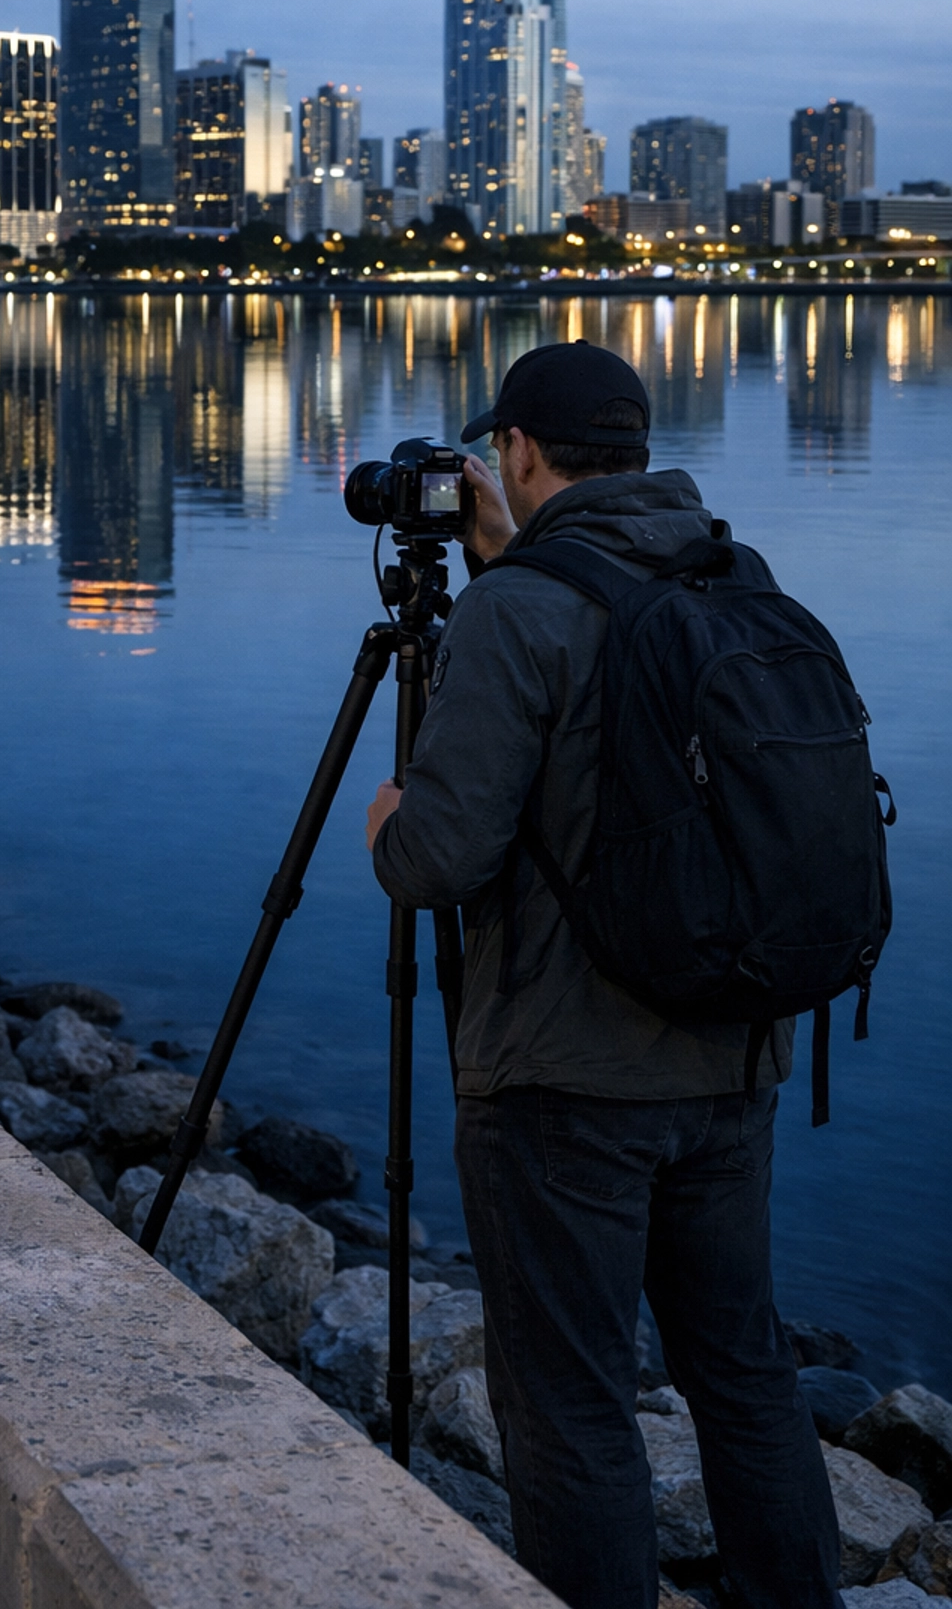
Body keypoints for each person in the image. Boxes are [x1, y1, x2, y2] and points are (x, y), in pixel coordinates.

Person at [365, 339, 841, 1609]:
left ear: (518, 454)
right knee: (744, 1376)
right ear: (634, 451)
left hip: (564, 1090)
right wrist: (507, 569)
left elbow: (433, 862)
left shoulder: (517, 613)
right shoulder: (730, 570)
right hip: (733, 1054)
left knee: (572, 1406)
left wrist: (384, 822)